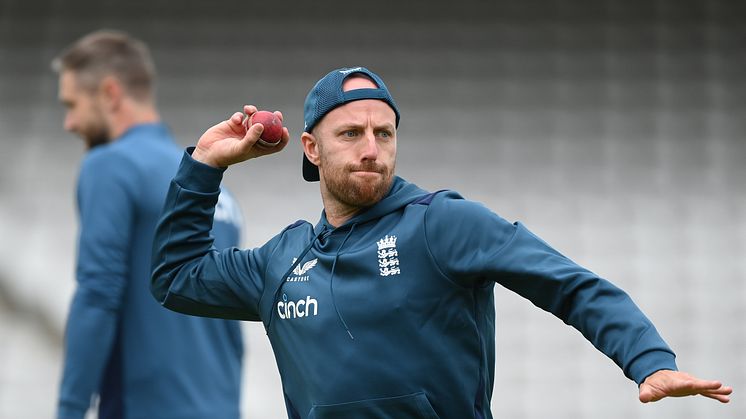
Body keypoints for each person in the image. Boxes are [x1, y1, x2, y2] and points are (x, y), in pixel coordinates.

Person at [150, 66, 732, 419]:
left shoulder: (441, 223)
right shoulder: (280, 260)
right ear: (310, 148)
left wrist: (648, 360)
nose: (371, 148)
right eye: (350, 134)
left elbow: (569, 284)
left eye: (384, 132)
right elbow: (174, 278)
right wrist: (205, 164)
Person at [53, 30, 244, 419]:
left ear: (110, 93)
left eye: (72, 104)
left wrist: (69, 410)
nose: (69, 122)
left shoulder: (111, 166)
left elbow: (97, 293)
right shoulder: (212, 190)